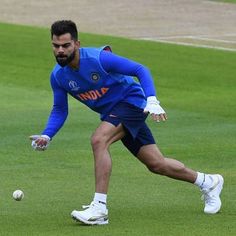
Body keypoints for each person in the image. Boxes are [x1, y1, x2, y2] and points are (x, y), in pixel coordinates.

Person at [30, 20, 224, 225]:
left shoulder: (99, 59)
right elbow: (60, 109)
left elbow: (140, 69)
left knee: (99, 140)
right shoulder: (59, 76)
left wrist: (152, 99)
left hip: (132, 103)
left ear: (77, 44)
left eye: (65, 45)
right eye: (56, 46)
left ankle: (99, 209)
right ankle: (208, 182)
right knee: (156, 164)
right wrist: (47, 135)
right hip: (115, 113)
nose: (60, 50)